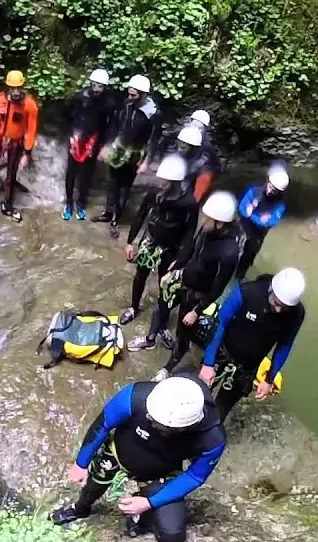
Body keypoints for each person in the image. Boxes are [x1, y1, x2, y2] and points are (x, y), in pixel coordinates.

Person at [50, 374, 227, 542]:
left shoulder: (212, 440)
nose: (149, 418)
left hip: (161, 472)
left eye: (157, 422)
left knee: (172, 536)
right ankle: (80, 508)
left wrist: (148, 503)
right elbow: (102, 424)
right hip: (118, 452)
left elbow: (194, 477)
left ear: (182, 428)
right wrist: (81, 463)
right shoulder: (137, 395)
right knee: (92, 488)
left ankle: (141, 513)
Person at [128, 191, 242, 382]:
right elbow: (191, 248)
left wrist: (197, 311)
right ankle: (149, 340)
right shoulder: (207, 230)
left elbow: (219, 287)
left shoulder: (229, 252)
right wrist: (176, 266)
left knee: (183, 332)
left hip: (199, 293)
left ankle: (169, 367)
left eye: (209, 218)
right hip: (183, 278)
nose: (204, 221)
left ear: (220, 223)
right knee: (160, 308)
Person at [199, 268, 305, 421]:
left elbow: (284, 345)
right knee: (199, 396)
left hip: (247, 368)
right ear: (271, 290)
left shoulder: (296, 314)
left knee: (219, 412)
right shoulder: (247, 292)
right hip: (223, 353)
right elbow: (220, 323)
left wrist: (269, 379)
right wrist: (209, 362)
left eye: (285, 307)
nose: (278, 309)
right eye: (276, 303)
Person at [118, 154, 198, 326]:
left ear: (176, 182)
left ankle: (162, 321)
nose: (162, 184)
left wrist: (180, 260)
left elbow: (190, 234)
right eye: (161, 180)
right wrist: (130, 242)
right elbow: (140, 216)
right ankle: (134, 307)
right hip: (152, 239)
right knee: (140, 275)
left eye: (166, 182)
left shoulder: (188, 203)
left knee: (166, 284)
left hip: (171, 246)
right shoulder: (154, 193)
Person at [93, 74, 159, 237]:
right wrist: (107, 146)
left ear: (143, 94)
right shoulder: (126, 104)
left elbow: (154, 140)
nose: (129, 97)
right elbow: (115, 126)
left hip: (135, 153)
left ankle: (116, 218)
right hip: (119, 148)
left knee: (124, 187)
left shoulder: (153, 114)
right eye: (129, 94)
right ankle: (108, 212)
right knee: (112, 182)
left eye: (133, 95)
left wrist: (146, 162)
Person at [0, 70, 40, 221]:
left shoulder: (29, 105)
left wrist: (27, 154)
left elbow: (31, 130)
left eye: (19, 88)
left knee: (11, 175)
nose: (16, 91)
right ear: (8, 87)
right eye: (13, 88)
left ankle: (8, 204)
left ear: (23, 86)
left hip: (16, 143)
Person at [62, 69, 116, 222]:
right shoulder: (80, 97)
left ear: (105, 87)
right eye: (94, 85)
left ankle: (81, 204)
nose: (97, 89)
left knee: (86, 174)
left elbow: (110, 125)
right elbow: (66, 113)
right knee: (71, 172)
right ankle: (68, 204)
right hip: (76, 138)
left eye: (100, 86)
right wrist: (73, 129)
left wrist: (105, 144)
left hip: (93, 141)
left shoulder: (108, 103)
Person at [234, 163, 290, 281]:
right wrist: (258, 218)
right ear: (267, 181)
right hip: (243, 227)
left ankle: (238, 278)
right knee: (233, 249)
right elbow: (241, 208)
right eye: (270, 187)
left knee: (248, 256)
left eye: (274, 191)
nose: (270, 191)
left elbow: (270, 223)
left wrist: (251, 214)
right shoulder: (254, 190)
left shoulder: (279, 204)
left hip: (257, 235)